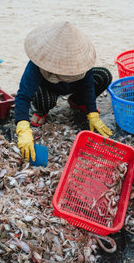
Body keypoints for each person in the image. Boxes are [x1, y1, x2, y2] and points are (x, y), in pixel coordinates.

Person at [15, 21, 113, 161]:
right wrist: (23, 128)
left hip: (74, 88)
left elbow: (88, 86)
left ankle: (76, 102)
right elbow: (23, 96)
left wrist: (92, 113)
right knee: (42, 97)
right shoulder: (38, 63)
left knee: (104, 75)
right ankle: (42, 110)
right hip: (49, 90)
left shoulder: (82, 61)